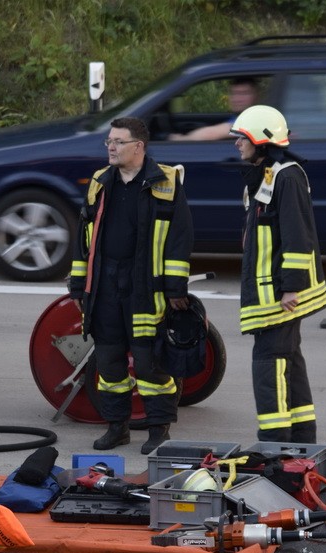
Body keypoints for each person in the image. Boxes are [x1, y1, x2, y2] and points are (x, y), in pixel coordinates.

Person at [68, 117, 193, 453]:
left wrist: (175, 288)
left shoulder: (166, 181)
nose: (111, 146)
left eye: (119, 141)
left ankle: (158, 429)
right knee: (109, 362)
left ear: (139, 146)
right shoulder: (100, 181)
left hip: (145, 287)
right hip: (106, 285)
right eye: (109, 140)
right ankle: (117, 427)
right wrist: (79, 285)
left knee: (150, 361)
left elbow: (179, 239)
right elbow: (84, 239)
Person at [230, 105, 326, 443]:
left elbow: (297, 236)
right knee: (288, 359)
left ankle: (275, 444)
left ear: (260, 139)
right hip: (271, 291)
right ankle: (302, 438)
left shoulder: (287, 176)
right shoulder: (270, 174)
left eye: (241, 138)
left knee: (269, 363)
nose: (236, 144)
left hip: (279, 294)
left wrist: (291, 287)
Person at [170, 77, 259, 141]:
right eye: (234, 93)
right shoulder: (240, 116)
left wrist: (183, 139)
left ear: (256, 96)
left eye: (244, 93)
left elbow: (214, 132)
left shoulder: (254, 120)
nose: (237, 99)